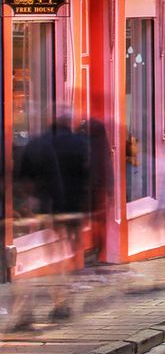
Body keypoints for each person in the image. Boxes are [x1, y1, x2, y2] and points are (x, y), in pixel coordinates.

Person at [10, 116, 93, 328]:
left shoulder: (36, 144)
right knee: (58, 257)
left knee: (33, 260)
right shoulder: (74, 143)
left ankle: (28, 311)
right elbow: (85, 176)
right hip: (60, 209)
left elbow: (20, 178)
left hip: (33, 210)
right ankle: (60, 303)